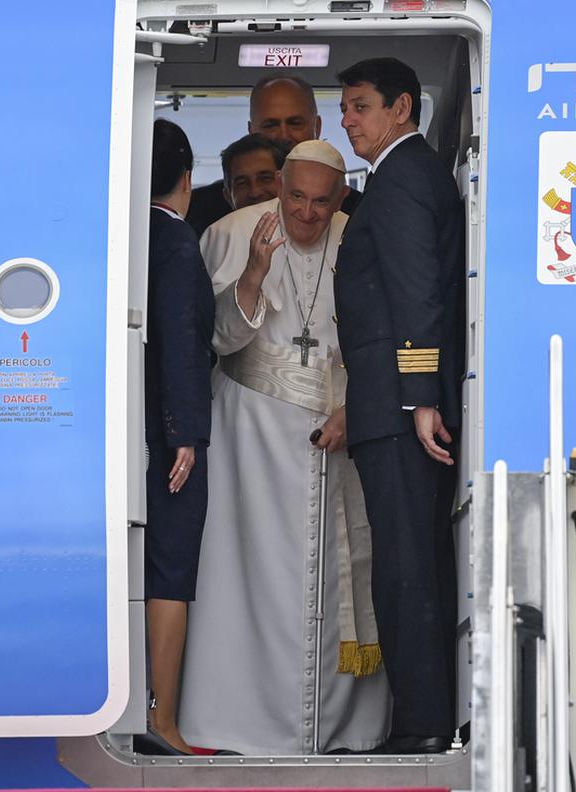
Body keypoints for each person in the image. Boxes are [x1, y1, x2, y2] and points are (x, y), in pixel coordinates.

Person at [178, 140, 389, 755]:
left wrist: (360, 406)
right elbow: (213, 341)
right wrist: (251, 275)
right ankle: (242, 722)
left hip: (340, 430)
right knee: (248, 575)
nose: (305, 214)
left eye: (321, 202)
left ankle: (340, 725)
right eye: (295, 197)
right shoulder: (229, 231)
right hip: (251, 439)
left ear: (340, 197)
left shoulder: (360, 235)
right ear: (279, 188)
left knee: (341, 573)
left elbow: (381, 337)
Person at [332, 57, 466, 755]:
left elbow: (418, 294)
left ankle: (420, 726)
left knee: (407, 568)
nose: (346, 120)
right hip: (392, 406)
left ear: (402, 108)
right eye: (346, 107)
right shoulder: (404, 177)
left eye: (358, 106)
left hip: (400, 410)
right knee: (412, 564)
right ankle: (424, 717)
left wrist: (417, 396)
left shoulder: (403, 179)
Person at [139, 118, 217, 757]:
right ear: (188, 178)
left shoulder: (121, 236)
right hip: (167, 440)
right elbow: (181, 346)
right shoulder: (176, 243)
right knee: (171, 571)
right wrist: (185, 433)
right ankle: (162, 721)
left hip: (127, 433)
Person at [186, 74, 363, 235]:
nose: (283, 136)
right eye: (270, 125)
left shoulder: (354, 208)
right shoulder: (202, 210)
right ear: (251, 131)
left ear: (316, 126)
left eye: (295, 123)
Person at [220, 133, 286, 212]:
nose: (255, 193)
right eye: (242, 183)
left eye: (265, 178)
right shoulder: (220, 225)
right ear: (228, 197)